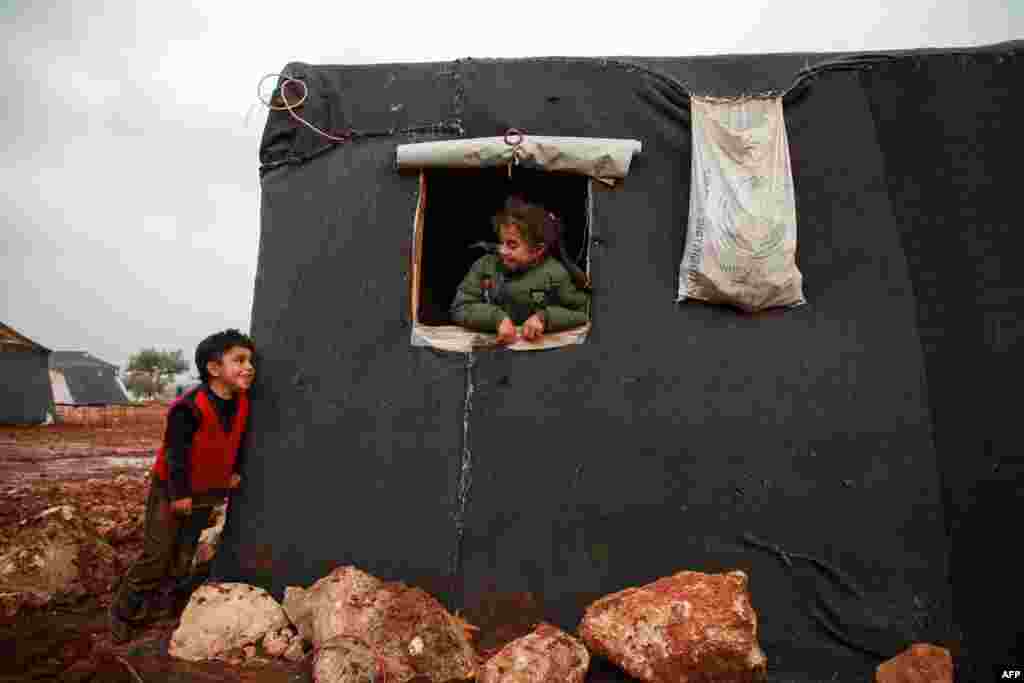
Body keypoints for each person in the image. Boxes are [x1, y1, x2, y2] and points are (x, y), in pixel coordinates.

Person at [109, 329, 256, 642]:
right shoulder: (188, 407)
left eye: (250, 360)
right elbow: (175, 454)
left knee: (183, 555)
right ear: (214, 369)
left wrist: (235, 471)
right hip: (172, 491)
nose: (249, 366)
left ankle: (163, 609)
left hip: (205, 493)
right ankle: (123, 612)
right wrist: (179, 494)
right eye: (239, 360)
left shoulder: (243, 403)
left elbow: (240, 442)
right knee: (156, 555)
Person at [451, 196, 590, 344]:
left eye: (512, 245)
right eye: (501, 242)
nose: (502, 250)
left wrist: (545, 318)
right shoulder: (485, 266)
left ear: (537, 250)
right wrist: (496, 319)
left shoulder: (555, 274)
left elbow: (582, 312)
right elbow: (460, 307)